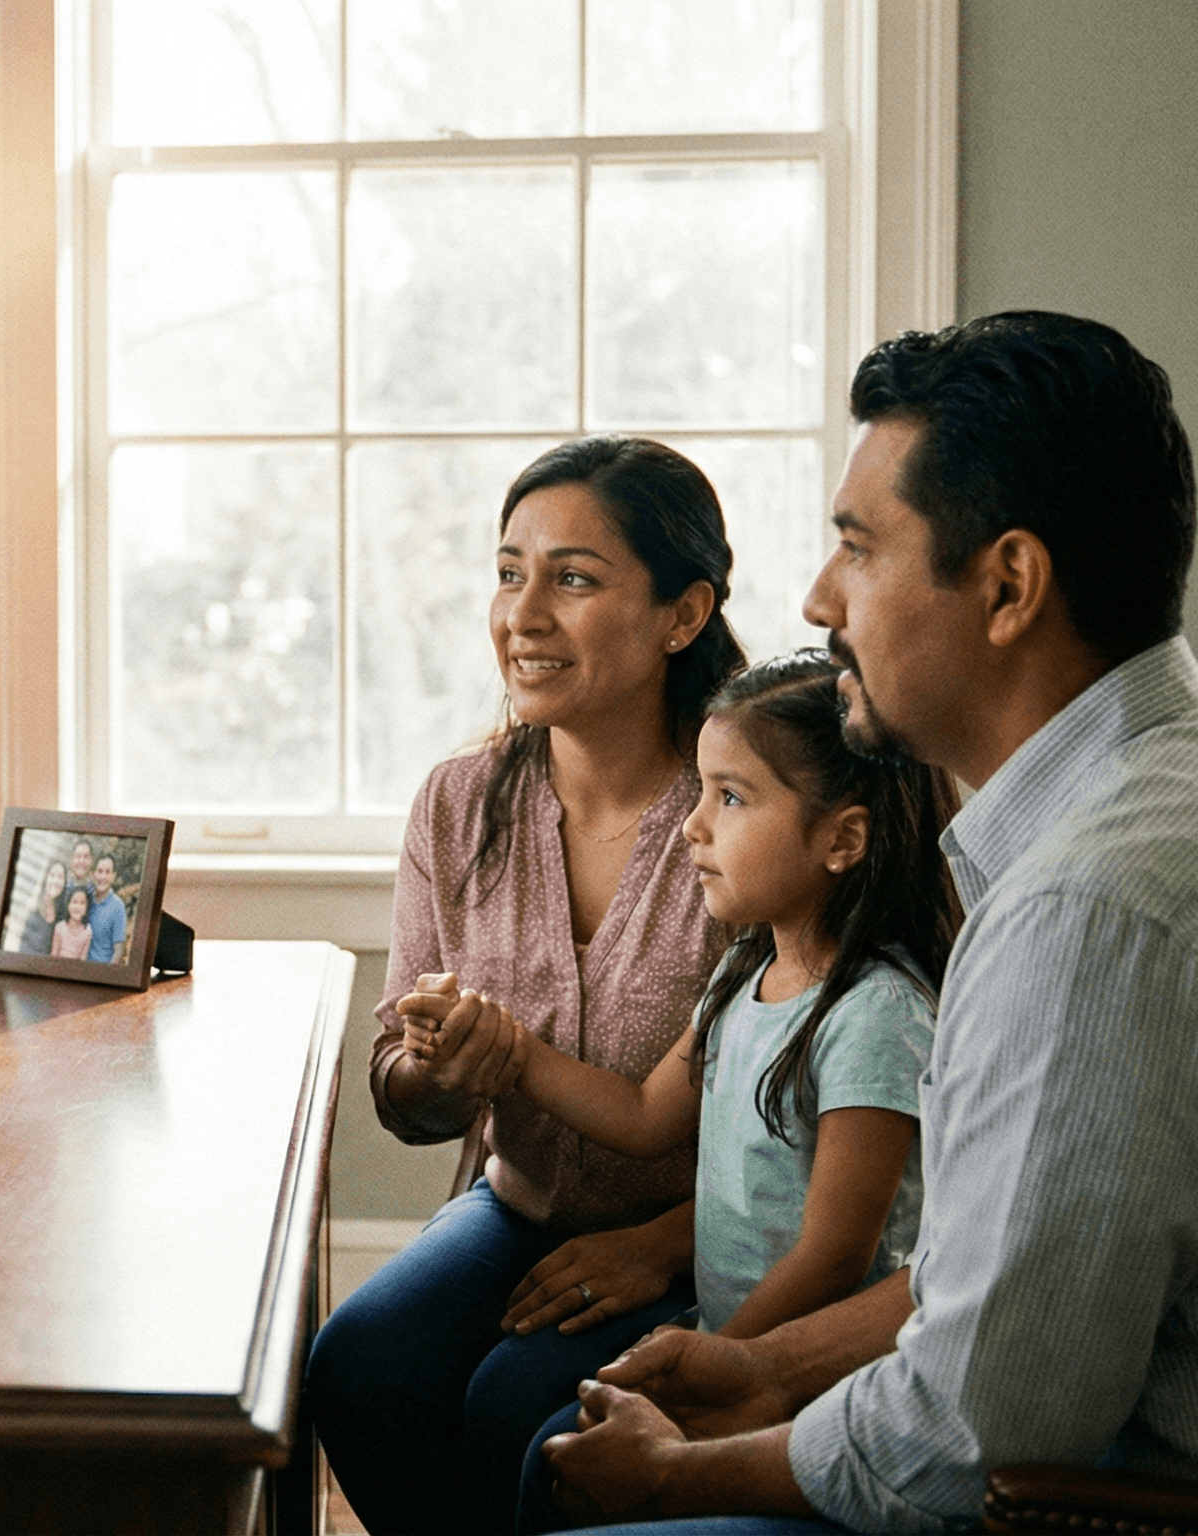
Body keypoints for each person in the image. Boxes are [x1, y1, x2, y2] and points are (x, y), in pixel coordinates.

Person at [542, 312, 1198, 1532]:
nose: (822, 600)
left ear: (1006, 586)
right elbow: (1008, 1285)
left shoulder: (1099, 907)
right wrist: (769, 1371)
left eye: (858, 550)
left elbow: (965, 1441)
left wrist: (674, 1477)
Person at [304, 436, 747, 1535]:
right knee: (356, 1366)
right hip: (517, 1208)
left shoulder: (753, 811)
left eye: (573, 579)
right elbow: (399, 1091)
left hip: (714, 1231)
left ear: (680, 616)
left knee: (519, 1406)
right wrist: (436, 1073)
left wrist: (663, 1244)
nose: (522, 614)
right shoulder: (457, 805)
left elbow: (824, 1113)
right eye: (508, 573)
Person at [413, 651, 956, 1529]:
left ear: (842, 840)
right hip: (727, 1339)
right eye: (700, 792)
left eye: (730, 798)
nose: (691, 827)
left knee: (558, 1466)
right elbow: (640, 1117)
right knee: (545, 1450)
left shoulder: (877, 1016)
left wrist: (714, 1359)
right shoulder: (745, 972)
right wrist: (507, 1047)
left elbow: (835, 1256)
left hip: (810, 1378)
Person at [83, 854, 130, 964]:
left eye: (107, 872)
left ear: (113, 876)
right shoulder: (85, 899)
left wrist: (106, 977)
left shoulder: (118, 906)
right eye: (99, 871)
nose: (103, 876)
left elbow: (118, 951)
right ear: (92, 874)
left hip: (101, 970)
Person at [15, 861, 67, 955]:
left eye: (60, 877)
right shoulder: (34, 911)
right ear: (45, 878)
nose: (55, 881)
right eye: (52, 875)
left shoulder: (62, 915)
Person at [49, 886, 94, 960]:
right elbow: (54, 955)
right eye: (74, 902)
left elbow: (83, 958)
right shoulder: (60, 927)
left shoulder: (88, 931)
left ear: (86, 908)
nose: (78, 907)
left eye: (82, 903)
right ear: (68, 905)